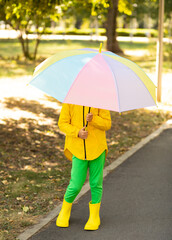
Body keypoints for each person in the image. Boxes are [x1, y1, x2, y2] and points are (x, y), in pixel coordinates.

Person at [56, 103, 111, 230]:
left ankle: (94, 216)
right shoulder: (70, 101)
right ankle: (64, 210)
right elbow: (62, 123)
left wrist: (94, 119)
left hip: (97, 148)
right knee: (75, 184)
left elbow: (107, 124)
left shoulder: (100, 100)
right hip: (78, 149)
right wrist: (77, 132)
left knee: (96, 183)